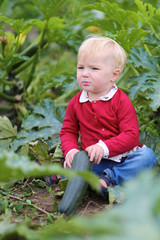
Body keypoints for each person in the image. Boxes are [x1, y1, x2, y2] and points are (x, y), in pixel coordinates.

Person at [45, 36, 157, 198]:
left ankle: (108, 180)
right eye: (81, 68)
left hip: (122, 159)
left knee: (147, 157)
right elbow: (68, 131)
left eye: (94, 69)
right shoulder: (76, 103)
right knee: (74, 162)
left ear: (114, 75)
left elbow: (131, 136)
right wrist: (71, 150)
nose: (85, 74)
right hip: (93, 161)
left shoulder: (121, 102)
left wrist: (103, 147)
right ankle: (68, 175)